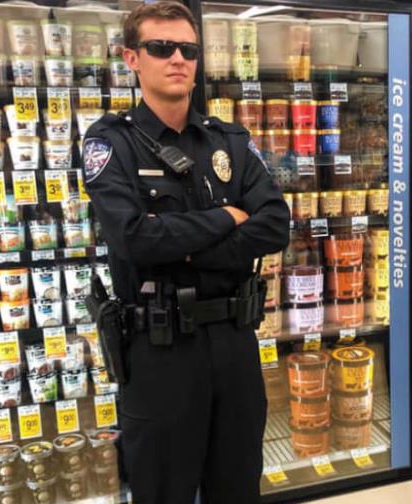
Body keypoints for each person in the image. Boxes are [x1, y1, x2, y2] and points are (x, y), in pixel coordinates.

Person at [81, 2, 289, 502]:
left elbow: (276, 226)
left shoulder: (231, 142)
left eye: (188, 50)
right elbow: (133, 238)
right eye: (161, 48)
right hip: (159, 351)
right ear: (132, 58)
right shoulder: (111, 142)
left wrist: (185, 248)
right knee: (163, 492)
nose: (177, 58)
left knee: (238, 489)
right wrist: (224, 218)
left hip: (236, 345)